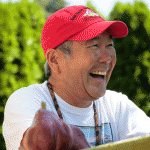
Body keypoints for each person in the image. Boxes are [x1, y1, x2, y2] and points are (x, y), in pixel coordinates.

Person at [2, 5, 150, 150]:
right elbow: (34, 143)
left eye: (110, 45)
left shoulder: (117, 106)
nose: (107, 58)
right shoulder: (27, 101)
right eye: (94, 45)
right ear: (55, 59)